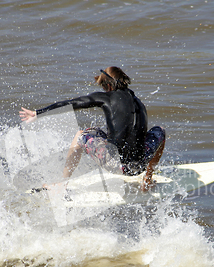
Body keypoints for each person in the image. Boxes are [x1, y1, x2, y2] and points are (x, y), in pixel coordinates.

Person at [19, 66, 165, 192]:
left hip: (119, 166)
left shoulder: (107, 97)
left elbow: (71, 104)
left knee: (81, 135)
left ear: (108, 86)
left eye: (103, 87)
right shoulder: (138, 102)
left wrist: (38, 113)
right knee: (160, 131)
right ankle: (147, 180)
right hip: (139, 165)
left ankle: (61, 184)